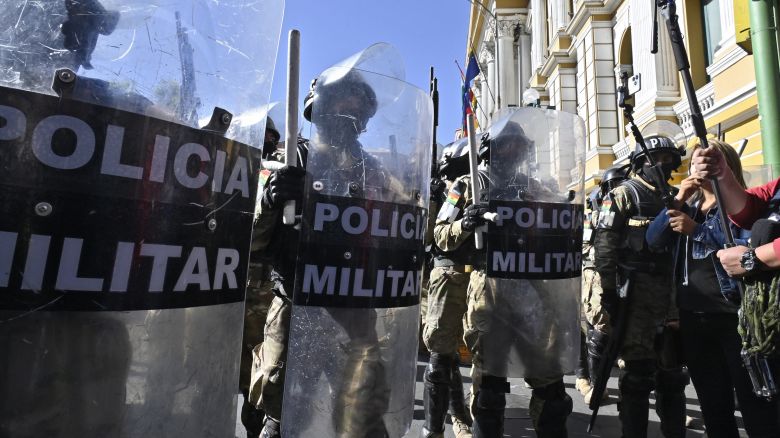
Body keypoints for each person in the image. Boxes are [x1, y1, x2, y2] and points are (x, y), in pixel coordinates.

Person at [250, 64, 414, 437]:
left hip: (355, 315)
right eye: (343, 101)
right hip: (296, 308)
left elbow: (406, 234)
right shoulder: (288, 161)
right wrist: (271, 200)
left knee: (364, 421)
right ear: (319, 107)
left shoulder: (376, 173)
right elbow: (251, 242)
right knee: (284, 419)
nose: (350, 111)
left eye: (358, 106)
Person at [437, 115, 575, 438]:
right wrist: (465, 224)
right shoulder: (468, 185)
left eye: (518, 147)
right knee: (490, 393)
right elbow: (441, 234)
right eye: (506, 146)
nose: (513, 152)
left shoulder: (534, 187)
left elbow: (559, 231)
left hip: (532, 294)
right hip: (489, 293)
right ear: (490, 150)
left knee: (551, 390)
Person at [647, 139, 780, 438]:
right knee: (713, 405)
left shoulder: (740, 206)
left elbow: (744, 250)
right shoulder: (690, 206)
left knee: (755, 403)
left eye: (705, 161)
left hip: (734, 317)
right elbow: (653, 240)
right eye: (695, 162)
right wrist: (679, 197)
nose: (699, 167)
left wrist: (698, 231)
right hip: (694, 316)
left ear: (725, 167)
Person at [593, 133, 689, 438]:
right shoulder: (624, 194)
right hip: (635, 297)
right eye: (655, 159)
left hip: (672, 295)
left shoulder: (677, 196)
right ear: (640, 163)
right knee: (637, 375)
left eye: (667, 159)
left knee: (673, 375)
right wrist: (607, 290)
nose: (662, 164)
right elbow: (604, 245)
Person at [422, 139, 475, 438]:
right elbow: (433, 236)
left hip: (478, 277)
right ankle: (449, 421)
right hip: (445, 275)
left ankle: (461, 415)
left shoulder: (479, 185)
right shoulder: (445, 191)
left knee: (466, 350)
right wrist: (430, 200)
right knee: (443, 353)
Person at [239, 117, 282, 438]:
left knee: (263, 382)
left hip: (267, 290)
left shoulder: (276, 172)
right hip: (230, 286)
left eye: (272, 135)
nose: (268, 139)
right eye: (264, 134)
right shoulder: (232, 168)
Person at [577, 166, 627, 404]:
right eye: (615, 184)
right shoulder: (595, 212)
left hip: (627, 273)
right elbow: (585, 246)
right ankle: (597, 386)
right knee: (601, 328)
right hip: (597, 273)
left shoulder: (632, 204)